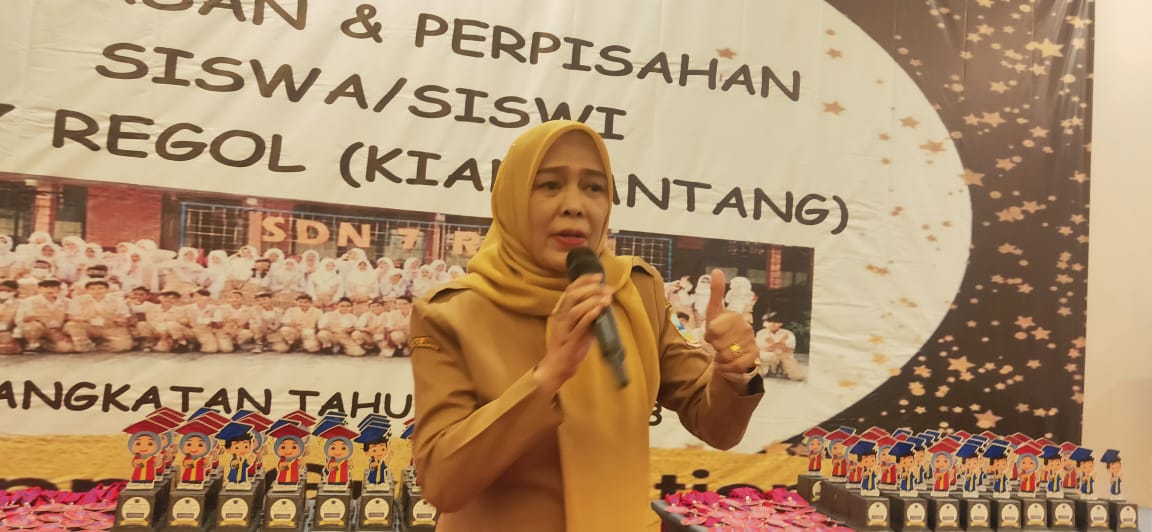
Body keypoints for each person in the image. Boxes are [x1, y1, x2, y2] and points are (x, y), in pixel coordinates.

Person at [409, 120, 765, 532]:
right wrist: (546, 378)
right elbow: (442, 484)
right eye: (550, 185)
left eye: (594, 187)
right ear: (512, 198)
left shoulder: (636, 290)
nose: (575, 205)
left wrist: (735, 367)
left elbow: (717, 427)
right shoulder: (451, 313)